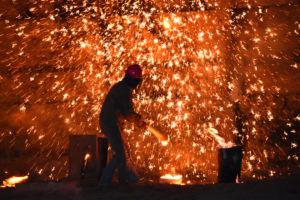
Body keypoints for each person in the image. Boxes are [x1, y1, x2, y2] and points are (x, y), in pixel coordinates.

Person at [99, 64, 145, 185]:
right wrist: (138, 120)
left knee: (125, 152)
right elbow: (128, 113)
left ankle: (134, 179)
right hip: (110, 123)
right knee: (120, 154)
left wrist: (137, 120)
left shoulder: (122, 87)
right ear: (133, 80)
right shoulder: (123, 90)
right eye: (137, 80)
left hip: (114, 123)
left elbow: (125, 112)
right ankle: (109, 182)